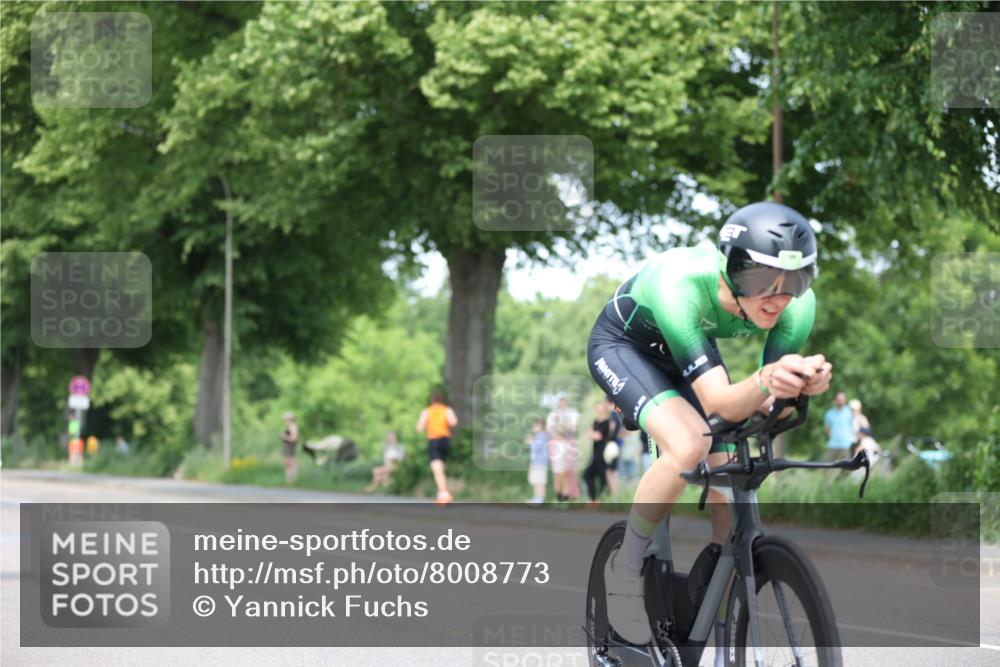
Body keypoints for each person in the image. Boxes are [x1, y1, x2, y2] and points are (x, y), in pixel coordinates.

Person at [587, 201, 831, 644]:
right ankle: (624, 567)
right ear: (732, 272)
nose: (778, 297)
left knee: (730, 497)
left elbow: (762, 400)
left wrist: (799, 385)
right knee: (688, 446)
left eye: (794, 281)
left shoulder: (797, 308)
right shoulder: (682, 286)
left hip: (687, 351)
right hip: (626, 347)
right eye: (762, 281)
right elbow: (722, 399)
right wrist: (765, 381)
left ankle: (710, 625)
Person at [416, 392, 458, 505]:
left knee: (437, 468)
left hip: (434, 440)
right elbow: (453, 422)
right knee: (441, 468)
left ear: (432, 400)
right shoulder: (446, 410)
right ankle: (442, 493)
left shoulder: (427, 411)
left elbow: (419, 427)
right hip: (445, 439)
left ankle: (444, 493)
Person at [546, 396, 580, 501]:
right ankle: (559, 494)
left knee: (568, 471)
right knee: (557, 471)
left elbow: (573, 427)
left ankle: (568, 494)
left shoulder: (572, 412)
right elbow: (550, 429)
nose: (562, 402)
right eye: (560, 400)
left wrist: (560, 423)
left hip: (568, 443)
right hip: (556, 443)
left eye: (563, 400)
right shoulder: (552, 414)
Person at [584, 399, 615, 505]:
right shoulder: (596, 421)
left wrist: (592, 434)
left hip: (603, 453)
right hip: (595, 453)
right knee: (587, 475)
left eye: (600, 407)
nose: (598, 410)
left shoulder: (607, 422)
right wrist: (592, 434)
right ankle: (593, 499)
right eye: (597, 408)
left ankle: (604, 499)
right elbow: (589, 434)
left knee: (602, 477)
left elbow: (598, 436)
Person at [823, 392, 854, 461]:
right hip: (833, 444)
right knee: (826, 468)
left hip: (846, 444)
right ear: (835, 400)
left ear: (845, 401)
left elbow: (853, 427)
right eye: (839, 399)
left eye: (842, 400)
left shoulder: (849, 412)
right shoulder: (829, 413)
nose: (840, 401)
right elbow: (827, 428)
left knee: (846, 469)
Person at [525, 418, 549, 505]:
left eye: (535, 425)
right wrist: (532, 441)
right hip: (536, 462)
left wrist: (531, 442)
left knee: (540, 481)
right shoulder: (539, 436)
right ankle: (536, 497)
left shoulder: (542, 435)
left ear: (540, 426)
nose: (533, 427)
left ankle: (540, 499)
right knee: (535, 480)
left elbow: (537, 447)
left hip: (540, 462)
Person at [280, 411, 299, 484]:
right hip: (287, 447)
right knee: (287, 464)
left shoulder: (293, 426)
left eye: (285, 419)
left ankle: (293, 480)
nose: (284, 421)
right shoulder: (289, 426)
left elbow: (295, 438)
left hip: (290, 447)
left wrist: (284, 436)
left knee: (291, 464)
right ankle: (289, 481)